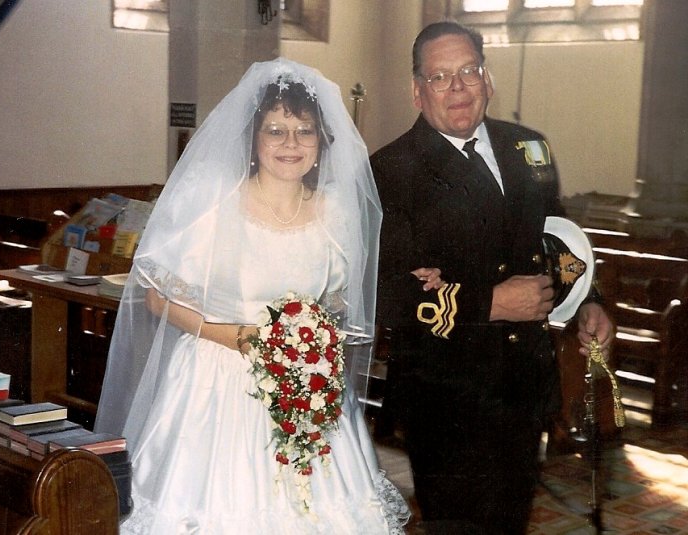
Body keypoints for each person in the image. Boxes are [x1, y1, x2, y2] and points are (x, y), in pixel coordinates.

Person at [94, 58, 412, 534]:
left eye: (304, 131)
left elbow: (336, 304)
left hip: (302, 388)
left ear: (321, 144)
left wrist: (309, 346)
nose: (290, 144)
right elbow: (159, 300)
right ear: (253, 138)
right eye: (275, 130)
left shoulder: (336, 214)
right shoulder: (213, 201)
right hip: (215, 387)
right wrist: (242, 338)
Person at [370, 21, 614, 534]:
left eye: (467, 72)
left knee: (509, 524)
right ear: (417, 91)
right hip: (446, 396)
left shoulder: (530, 149)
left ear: (487, 77)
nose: (457, 88)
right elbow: (383, 292)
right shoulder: (390, 170)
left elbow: (557, 241)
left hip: (523, 385)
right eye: (439, 78)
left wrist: (587, 301)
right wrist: (488, 302)